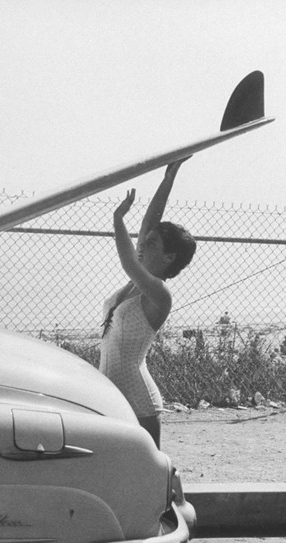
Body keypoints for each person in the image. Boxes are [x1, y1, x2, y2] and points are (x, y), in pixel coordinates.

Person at [99, 160, 196, 448]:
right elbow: (149, 222)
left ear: (169, 258)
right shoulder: (136, 283)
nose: (141, 244)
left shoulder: (159, 294)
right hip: (111, 396)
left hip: (138, 404)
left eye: (151, 244)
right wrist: (170, 175)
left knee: (146, 481)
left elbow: (129, 261)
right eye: (144, 241)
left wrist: (118, 219)